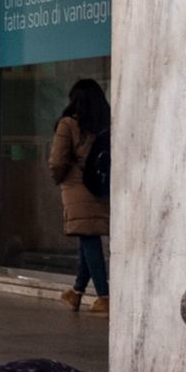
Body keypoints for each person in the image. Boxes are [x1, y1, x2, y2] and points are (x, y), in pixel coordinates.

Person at [50, 78, 111, 314]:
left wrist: (58, 178)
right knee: (87, 236)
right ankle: (76, 292)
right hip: (100, 185)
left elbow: (57, 160)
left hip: (76, 186)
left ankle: (104, 296)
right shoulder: (105, 124)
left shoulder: (68, 124)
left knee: (88, 239)